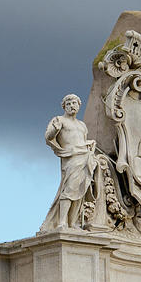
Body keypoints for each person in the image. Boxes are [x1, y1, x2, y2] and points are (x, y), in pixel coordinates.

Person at [39, 94, 99, 231]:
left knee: (81, 191)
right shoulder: (59, 120)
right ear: (64, 106)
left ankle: (72, 223)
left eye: (75, 103)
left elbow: (81, 140)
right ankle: (61, 222)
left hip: (84, 156)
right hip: (71, 158)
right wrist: (55, 129)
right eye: (69, 104)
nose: (72, 106)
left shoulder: (82, 125)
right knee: (69, 189)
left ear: (79, 105)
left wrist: (89, 144)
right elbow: (48, 137)